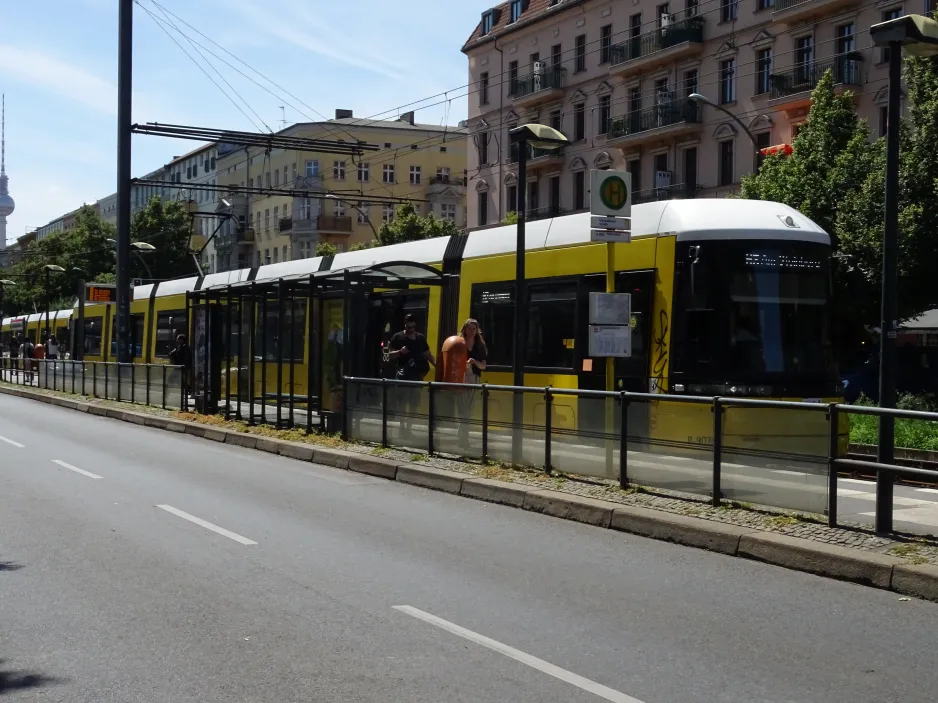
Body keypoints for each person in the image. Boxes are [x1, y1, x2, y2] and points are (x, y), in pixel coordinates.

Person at [386, 315, 435, 440]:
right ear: (405, 325)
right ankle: (402, 428)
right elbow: (388, 355)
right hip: (403, 376)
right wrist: (400, 352)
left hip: (417, 376)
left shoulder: (420, 338)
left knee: (414, 404)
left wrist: (437, 366)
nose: (411, 330)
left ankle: (409, 428)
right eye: (408, 327)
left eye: (413, 327)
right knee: (403, 404)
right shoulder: (397, 337)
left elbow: (428, 354)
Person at [458, 318, 488, 447]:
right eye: (469, 328)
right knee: (463, 410)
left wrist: (474, 362)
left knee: (468, 410)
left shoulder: (479, 345)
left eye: (474, 329)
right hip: (460, 378)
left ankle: (463, 438)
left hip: (473, 378)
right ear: (464, 329)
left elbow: (483, 366)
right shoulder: (459, 342)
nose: (471, 331)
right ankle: (463, 439)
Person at [169, 334, 193, 401]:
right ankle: (188, 389)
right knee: (178, 380)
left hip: (181, 367)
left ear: (182, 340)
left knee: (172, 379)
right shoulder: (180, 347)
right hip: (178, 366)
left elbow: (185, 358)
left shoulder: (185, 348)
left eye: (178, 339)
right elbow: (173, 354)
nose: (177, 340)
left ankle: (188, 389)